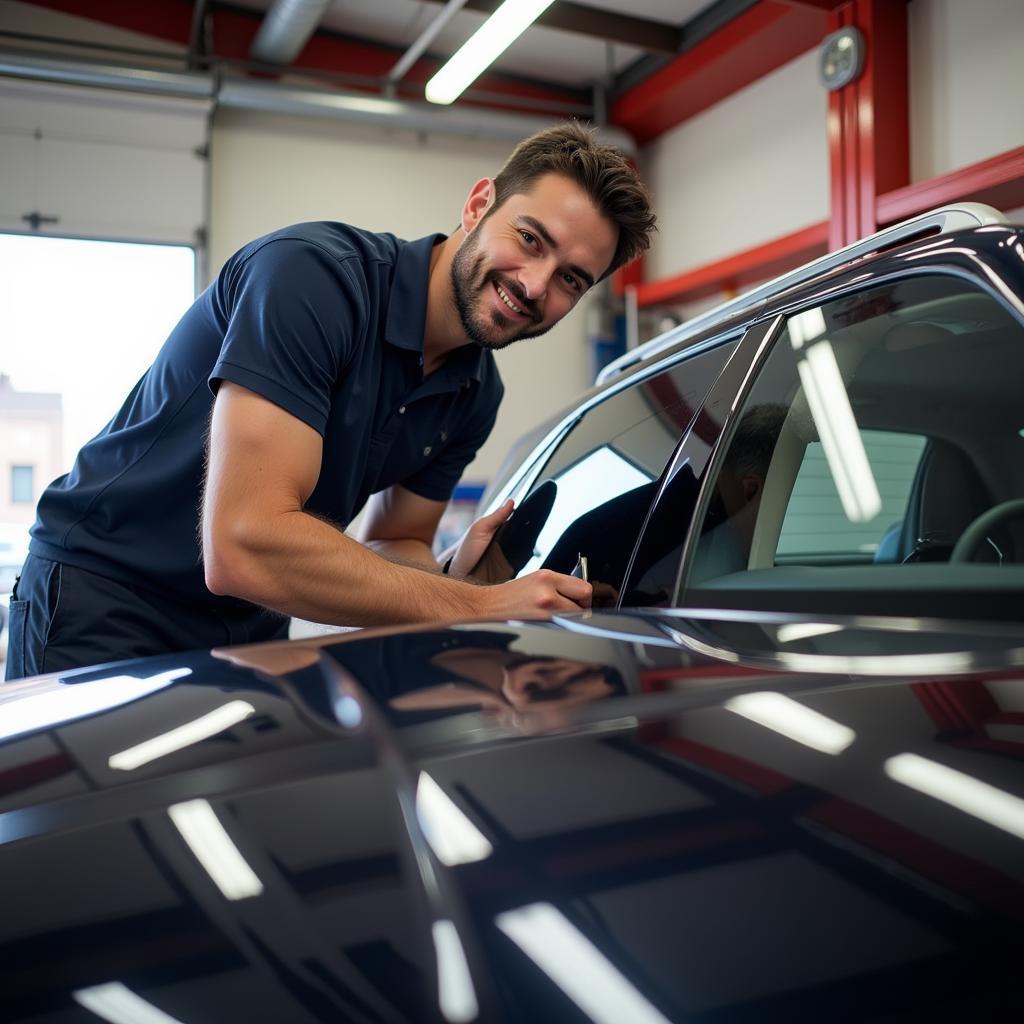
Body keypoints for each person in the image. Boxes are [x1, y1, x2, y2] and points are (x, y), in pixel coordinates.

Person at [6, 121, 656, 679]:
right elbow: (241, 542)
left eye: (571, 277)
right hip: (105, 595)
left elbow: (396, 540)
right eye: (531, 239)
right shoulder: (311, 281)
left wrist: (455, 580)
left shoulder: (475, 393)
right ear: (478, 205)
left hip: (250, 622)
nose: (537, 284)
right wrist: (477, 607)